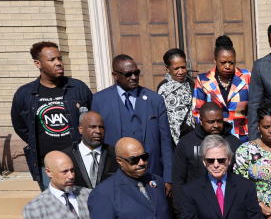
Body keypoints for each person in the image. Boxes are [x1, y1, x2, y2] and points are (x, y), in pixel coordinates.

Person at [11, 41, 92, 190]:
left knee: (86, 204)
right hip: (47, 165)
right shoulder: (25, 94)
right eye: (51, 60)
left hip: (79, 161)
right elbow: (20, 126)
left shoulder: (77, 88)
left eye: (59, 58)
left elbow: (92, 118)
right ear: (38, 63)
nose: (58, 63)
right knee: (55, 207)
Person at [92, 54, 173, 186]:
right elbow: (96, 141)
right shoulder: (100, 101)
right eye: (128, 74)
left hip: (151, 174)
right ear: (115, 75)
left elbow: (166, 142)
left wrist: (168, 178)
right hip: (116, 176)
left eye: (136, 73)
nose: (134, 77)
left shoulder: (155, 100)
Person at [173, 102, 243, 189]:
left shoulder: (234, 143)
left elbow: (241, 178)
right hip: (195, 197)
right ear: (201, 121)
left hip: (227, 196)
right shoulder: (186, 143)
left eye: (219, 121)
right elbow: (178, 178)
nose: (216, 125)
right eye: (211, 122)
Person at [193, 36, 251, 140]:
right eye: (223, 62)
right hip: (213, 138)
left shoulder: (246, 77)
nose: (227, 66)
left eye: (231, 62)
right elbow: (197, 112)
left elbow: (254, 107)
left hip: (242, 137)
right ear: (215, 60)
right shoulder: (203, 80)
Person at [64, 111, 116, 188]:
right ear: (80, 129)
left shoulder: (115, 153)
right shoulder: (66, 156)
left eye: (101, 127)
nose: (98, 131)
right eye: (93, 127)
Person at [156, 48, 195, 145]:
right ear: (167, 68)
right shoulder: (163, 88)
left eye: (183, 67)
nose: (181, 72)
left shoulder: (191, 83)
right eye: (176, 68)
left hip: (191, 134)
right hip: (171, 138)